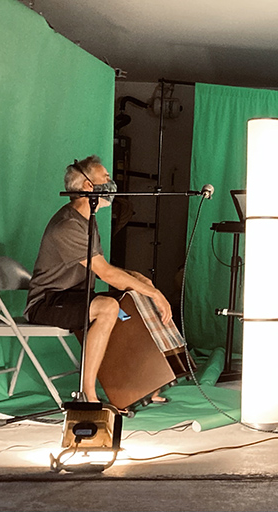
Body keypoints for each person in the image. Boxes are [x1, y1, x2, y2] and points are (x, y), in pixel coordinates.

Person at [24, 156, 172, 404]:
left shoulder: (87, 221)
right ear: (87, 185)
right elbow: (106, 273)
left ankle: (143, 385)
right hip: (47, 302)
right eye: (106, 178)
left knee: (132, 296)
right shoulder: (68, 226)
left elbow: (104, 268)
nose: (111, 183)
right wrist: (155, 294)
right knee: (109, 307)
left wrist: (139, 280)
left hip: (74, 297)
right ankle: (88, 395)